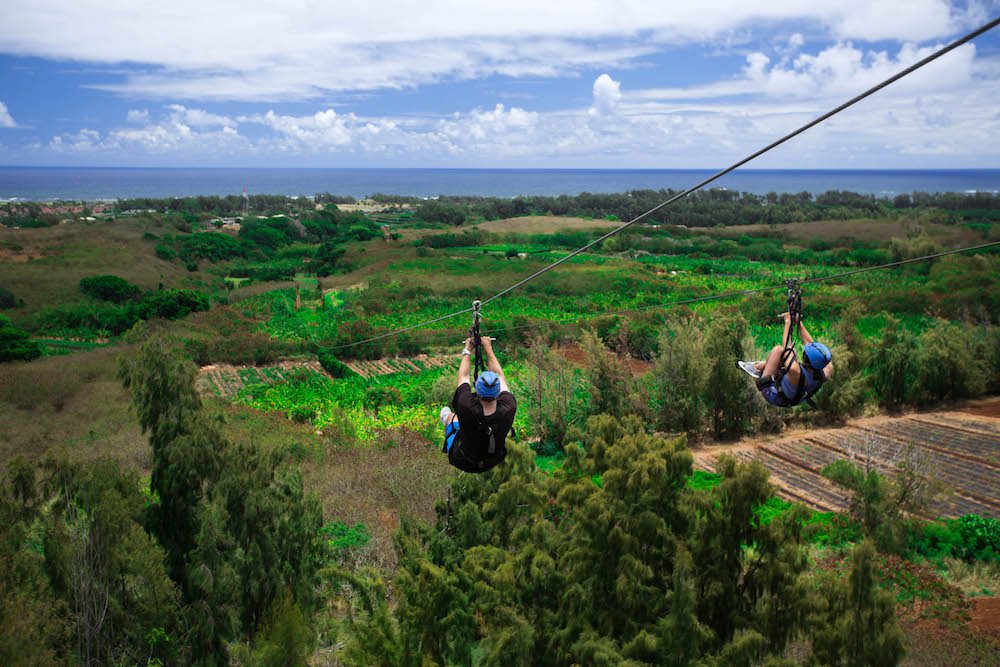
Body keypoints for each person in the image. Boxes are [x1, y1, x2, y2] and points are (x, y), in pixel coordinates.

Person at [439, 334, 517, 473]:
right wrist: (488, 348)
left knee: (449, 416)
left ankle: (445, 417)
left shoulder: (466, 406)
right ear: (498, 391)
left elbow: (463, 376)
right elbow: (499, 375)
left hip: (462, 459)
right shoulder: (508, 406)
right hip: (492, 460)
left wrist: (468, 350)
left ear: (477, 390)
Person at [738, 311, 833, 407]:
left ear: (806, 358)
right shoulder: (826, 367)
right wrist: (799, 323)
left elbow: (787, 347)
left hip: (773, 394)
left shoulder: (795, 370)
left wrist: (788, 322)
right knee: (792, 354)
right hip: (793, 395)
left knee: (778, 351)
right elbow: (810, 343)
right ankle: (762, 365)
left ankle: (757, 368)